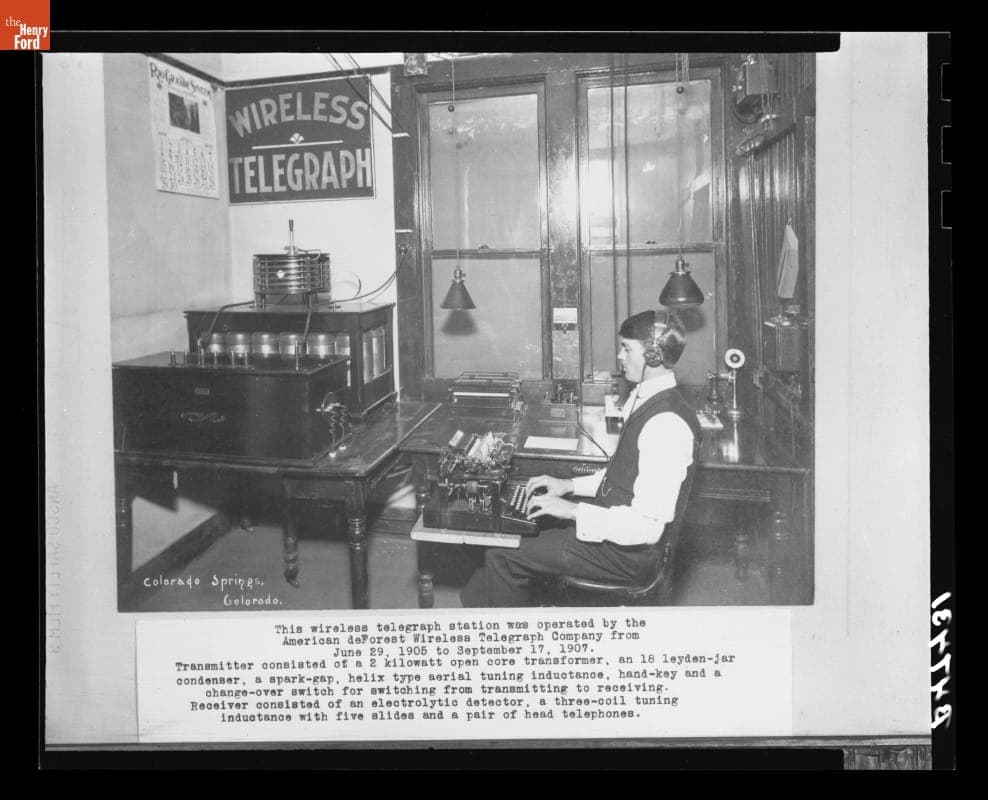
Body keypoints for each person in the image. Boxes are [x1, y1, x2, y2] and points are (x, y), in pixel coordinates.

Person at [459, 309, 702, 607]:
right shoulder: (646, 398)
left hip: (628, 555)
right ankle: (480, 610)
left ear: (653, 356)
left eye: (626, 348)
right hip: (615, 532)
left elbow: (647, 529)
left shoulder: (666, 425)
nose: (619, 356)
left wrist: (571, 511)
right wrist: (567, 485)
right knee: (509, 535)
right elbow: (622, 474)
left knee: (501, 555)